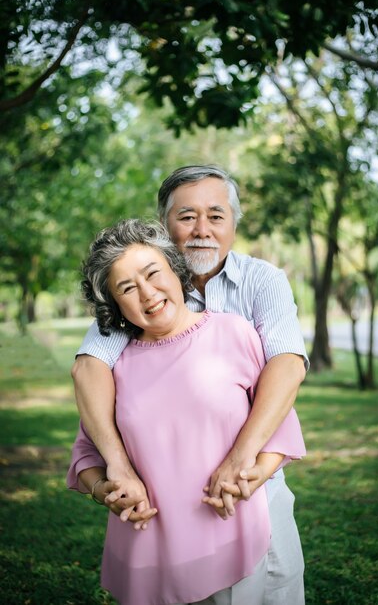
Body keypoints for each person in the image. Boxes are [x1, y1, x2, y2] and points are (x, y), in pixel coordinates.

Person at [72, 165, 309, 604]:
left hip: (247, 504)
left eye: (216, 216)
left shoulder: (256, 292)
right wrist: (116, 472)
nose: (202, 230)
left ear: (234, 222)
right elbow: (89, 370)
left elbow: (287, 367)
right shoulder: (130, 320)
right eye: (186, 217)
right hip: (156, 533)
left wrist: (243, 463)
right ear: (165, 227)